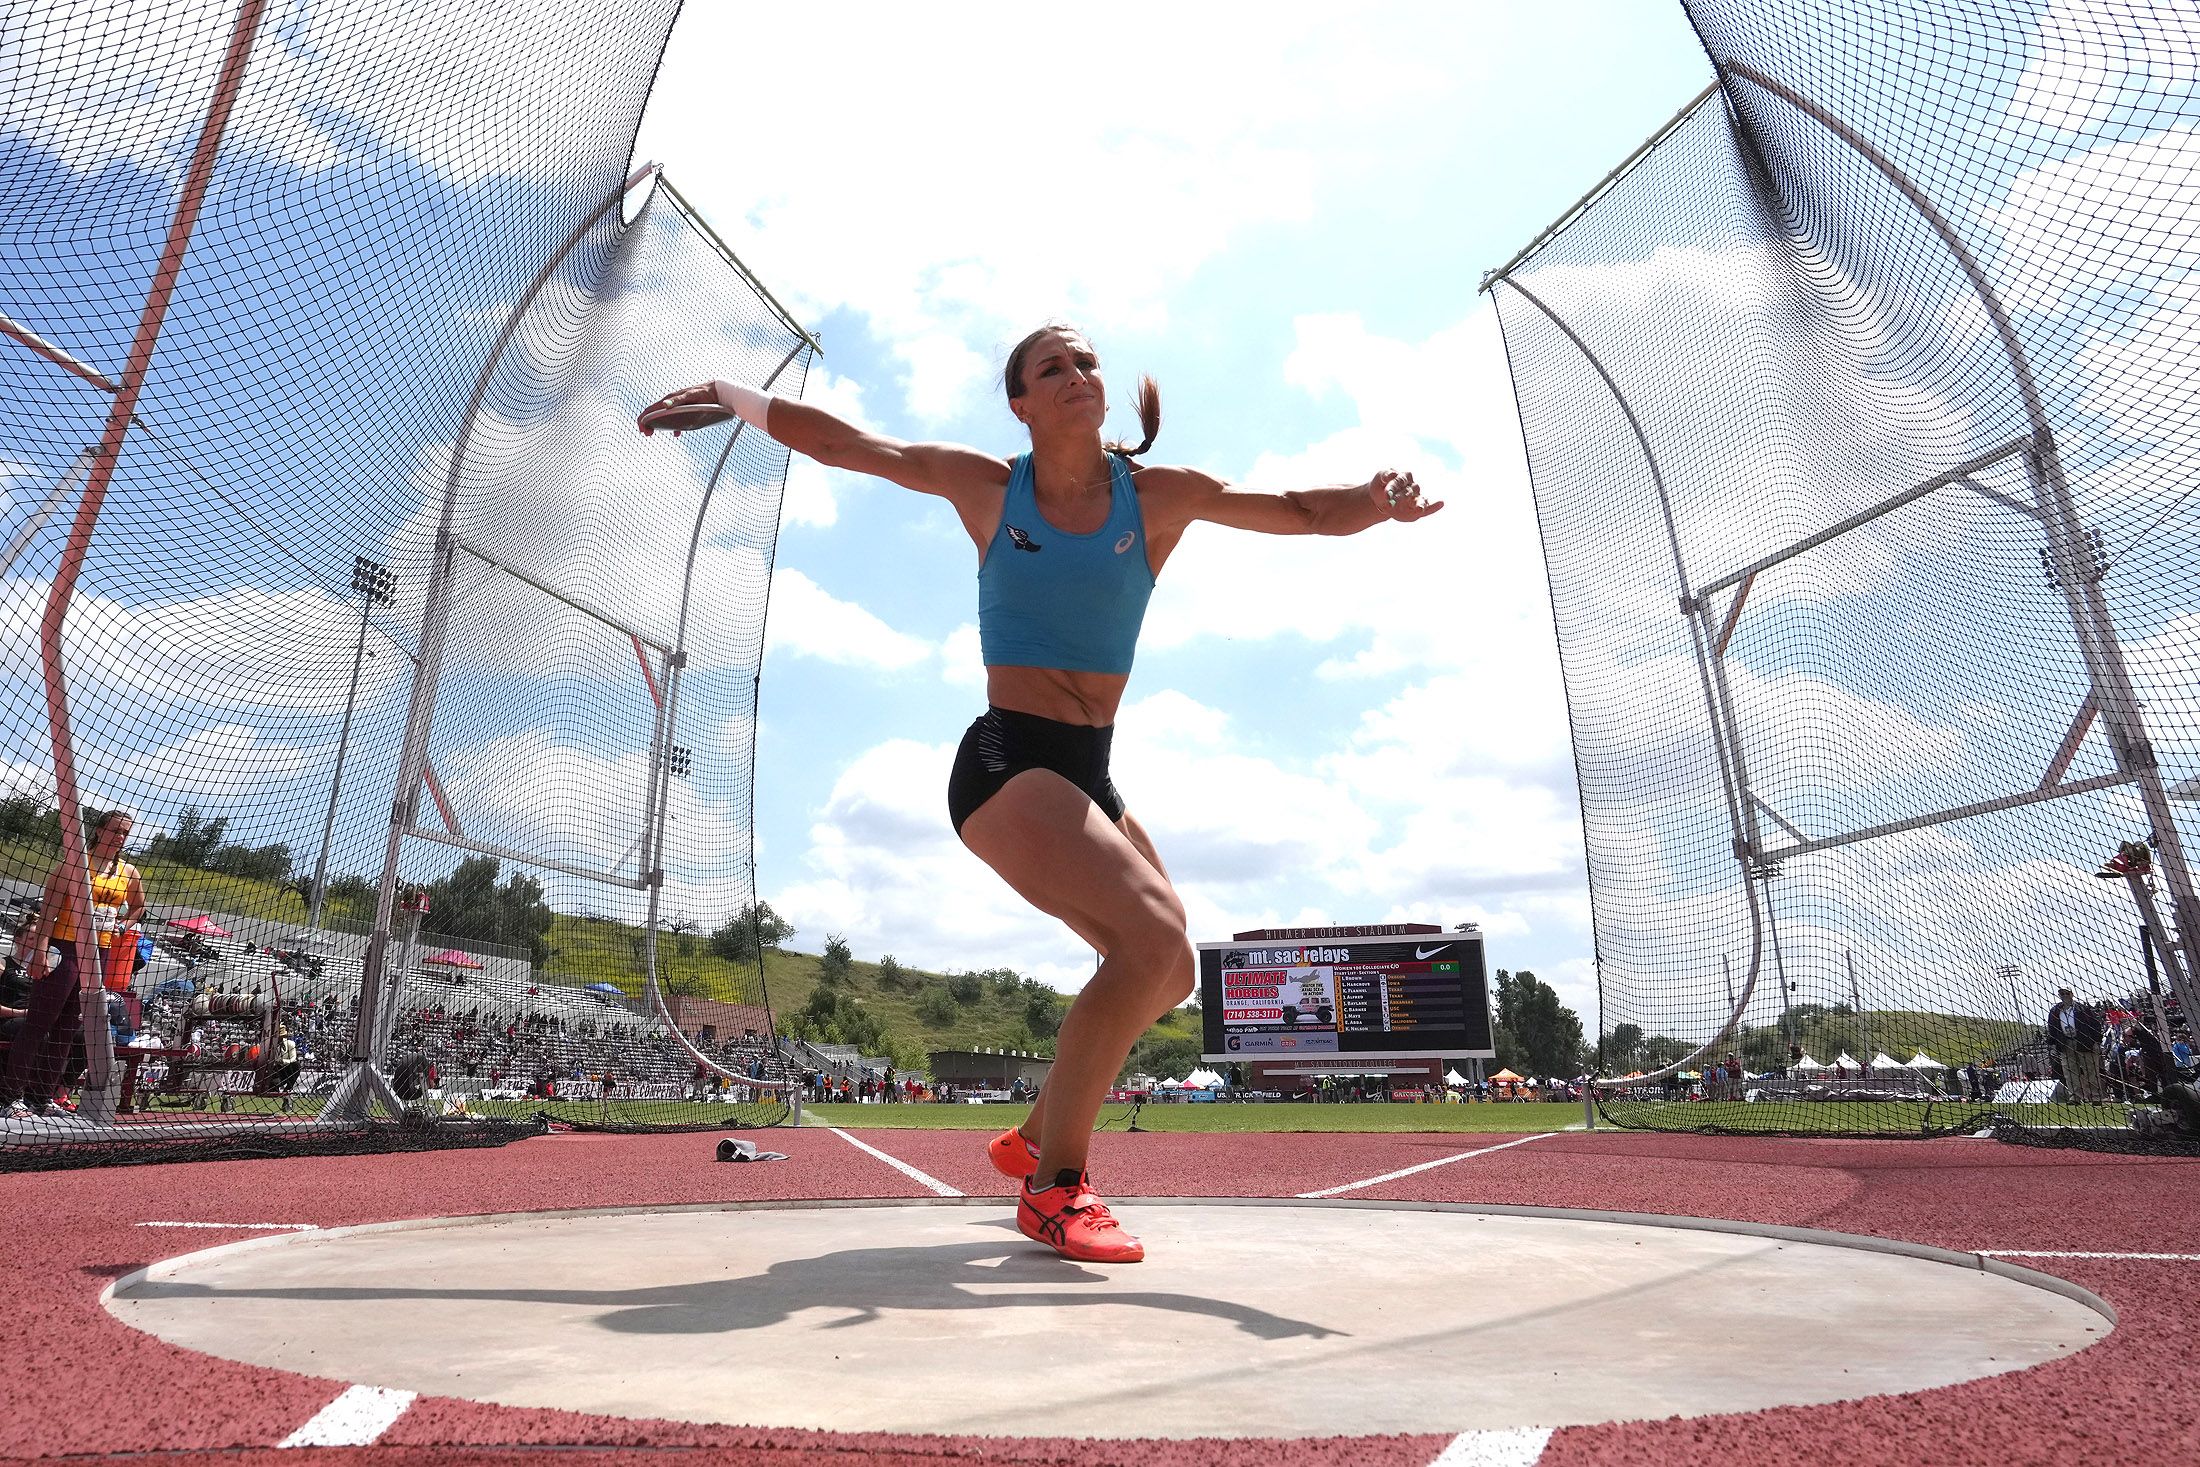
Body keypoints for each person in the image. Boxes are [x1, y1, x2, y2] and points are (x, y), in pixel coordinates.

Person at [642, 325, 1441, 1262]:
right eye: (1050, 368)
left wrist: (1373, 502)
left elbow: (1301, 512)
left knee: (1172, 968)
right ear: (1020, 403)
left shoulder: (1159, 498)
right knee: (1145, 945)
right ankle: (1054, 1186)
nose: (1075, 375)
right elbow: (851, 446)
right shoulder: (989, 487)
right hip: (1007, 761)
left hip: (1092, 768)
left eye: (1087, 362)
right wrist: (734, 393)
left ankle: (1030, 1133)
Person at [1, 809, 144, 1119]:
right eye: (115, 830)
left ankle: (42, 1097)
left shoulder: (129, 872)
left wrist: (121, 926)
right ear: (99, 831)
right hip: (65, 948)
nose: (120, 837)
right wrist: (40, 952)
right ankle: (10, 1097)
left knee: (68, 1027)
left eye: (125, 832)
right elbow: (48, 910)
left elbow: (139, 908)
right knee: (40, 1022)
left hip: (99, 952)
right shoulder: (74, 864)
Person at [2045, 986, 2105, 1103]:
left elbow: (2095, 1025)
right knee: (2070, 1071)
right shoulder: (2055, 1011)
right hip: (2065, 1042)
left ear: (2072, 994)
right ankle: (2075, 1097)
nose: (2064, 996)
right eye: (2062, 993)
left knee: (2090, 1070)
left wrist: (2097, 1041)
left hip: (2084, 1041)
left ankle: (2095, 1096)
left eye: (2066, 993)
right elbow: (2052, 1027)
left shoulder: (2082, 1009)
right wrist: (2053, 1042)